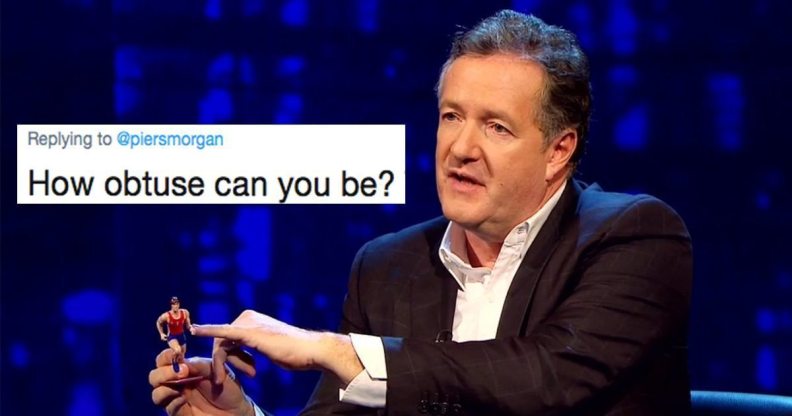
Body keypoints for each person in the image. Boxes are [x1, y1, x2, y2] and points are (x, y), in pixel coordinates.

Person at [149, 10, 692, 415]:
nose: (461, 148)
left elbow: (547, 377)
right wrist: (241, 414)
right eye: (452, 116)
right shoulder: (387, 266)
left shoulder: (633, 239)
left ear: (558, 150)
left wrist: (333, 350)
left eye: (496, 127)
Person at [156, 296, 194, 372]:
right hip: (172, 336)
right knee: (177, 350)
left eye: (176, 304)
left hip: (181, 335)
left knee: (182, 355)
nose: (175, 306)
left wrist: (191, 328)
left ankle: (181, 369)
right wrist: (161, 334)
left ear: (179, 304)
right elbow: (158, 322)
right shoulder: (166, 316)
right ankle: (174, 361)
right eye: (173, 304)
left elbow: (188, 325)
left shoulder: (185, 313)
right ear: (171, 305)